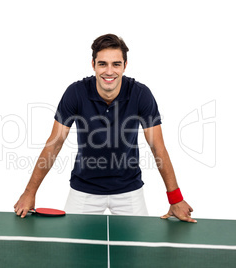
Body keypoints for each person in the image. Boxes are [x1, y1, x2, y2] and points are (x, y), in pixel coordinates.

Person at [14, 34, 196, 223]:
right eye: (103, 64)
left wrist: (175, 199)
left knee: (138, 251)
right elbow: (54, 144)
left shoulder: (141, 94)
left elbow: (158, 148)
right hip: (84, 189)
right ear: (93, 64)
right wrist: (29, 193)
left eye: (116, 64)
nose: (109, 71)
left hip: (129, 190)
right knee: (72, 250)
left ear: (125, 65)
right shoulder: (75, 93)